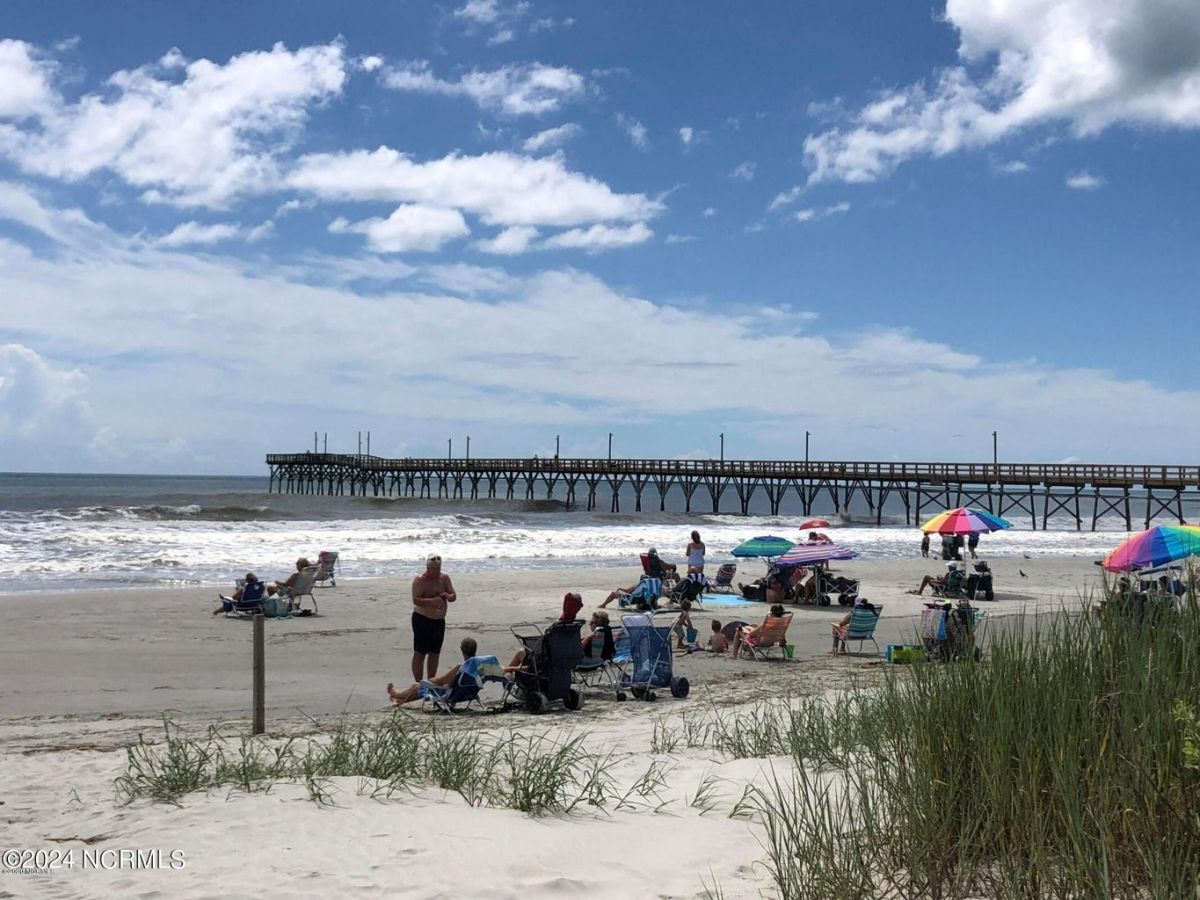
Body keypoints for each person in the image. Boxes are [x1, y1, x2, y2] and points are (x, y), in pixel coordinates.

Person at [387, 637, 476, 706]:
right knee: (421, 686)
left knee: (418, 686)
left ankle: (396, 694)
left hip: (450, 694)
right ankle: (399, 700)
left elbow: (440, 680)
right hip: (467, 694)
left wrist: (430, 681)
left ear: (462, 650)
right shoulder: (478, 667)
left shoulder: (460, 667)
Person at [411, 554, 457, 683]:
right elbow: (416, 600)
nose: (436, 571)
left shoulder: (444, 578)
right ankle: (419, 683)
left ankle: (431, 681)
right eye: (434, 569)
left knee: (435, 653)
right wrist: (432, 601)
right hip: (423, 619)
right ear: (427, 567)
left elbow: (453, 595)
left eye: (438, 568)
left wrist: (448, 596)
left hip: (439, 621)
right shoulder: (420, 580)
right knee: (420, 653)